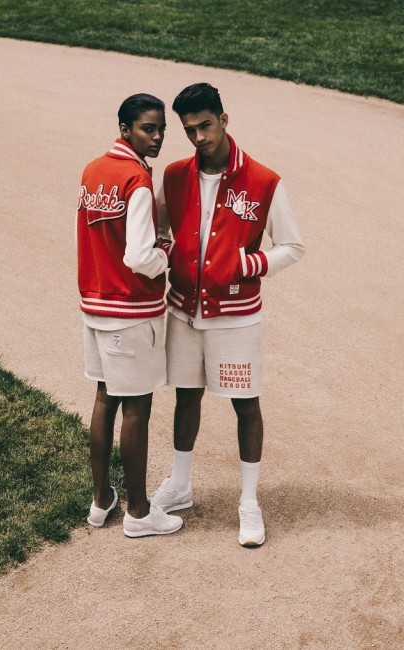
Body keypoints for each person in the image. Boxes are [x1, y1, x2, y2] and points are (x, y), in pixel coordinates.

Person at [150, 83, 305, 546]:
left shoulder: (264, 181)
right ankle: (180, 485)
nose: (199, 137)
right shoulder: (174, 175)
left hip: (237, 314)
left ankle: (249, 501)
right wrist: (169, 254)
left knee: (246, 404)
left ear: (223, 119)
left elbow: (292, 246)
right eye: (189, 129)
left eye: (205, 125)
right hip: (183, 309)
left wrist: (247, 264)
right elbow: (160, 229)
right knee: (186, 397)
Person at [76, 93, 182, 538]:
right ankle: (138, 512)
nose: (157, 137)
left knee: (105, 399)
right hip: (130, 309)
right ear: (125, 129)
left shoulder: (93, 169)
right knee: (137, 408)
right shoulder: (136, 180)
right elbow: (139, 256)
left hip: (95, 305)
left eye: (161, 129)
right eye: (147, 129)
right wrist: (166, 254)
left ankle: (101, 501)